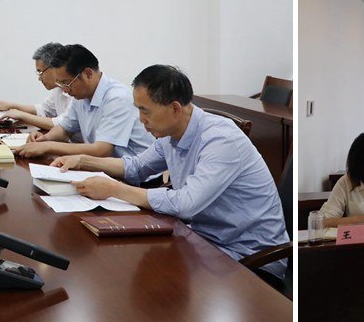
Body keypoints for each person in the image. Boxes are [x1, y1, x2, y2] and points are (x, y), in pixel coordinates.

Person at [51, 65, 288, 276]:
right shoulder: (171, 133)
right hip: (205, 242)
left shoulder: (221, 140)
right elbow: (137, 167)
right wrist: (83, 161)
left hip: (250, 258)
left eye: (145, 111)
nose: (141, 120)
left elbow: (186, 204)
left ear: (175, 108)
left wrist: (113, 189)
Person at [15, 44, 154, 159]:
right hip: (104, 168)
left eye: (66, 83)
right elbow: (65, 129)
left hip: (136, 176)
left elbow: (102, 150)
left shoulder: (117, 98)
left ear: (88, 74)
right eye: (60, 84)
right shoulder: (81, 95)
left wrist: (48, 146)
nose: (65, 90)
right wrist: (44, 139)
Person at [0, 42, 72, 132]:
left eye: (40, 72)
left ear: (54, 67)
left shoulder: (76, 91)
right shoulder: (58, 89)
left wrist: (22, 115)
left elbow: (62, 124)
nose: (39, 78)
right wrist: (11, 105)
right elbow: (44, 110)